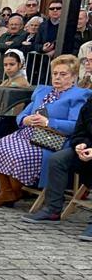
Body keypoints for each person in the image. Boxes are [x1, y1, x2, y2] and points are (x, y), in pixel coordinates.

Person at [0, 55, 91, 206]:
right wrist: (25, 120)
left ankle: (14, 191)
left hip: (53, 139)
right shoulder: (43, 91)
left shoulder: (77, 95)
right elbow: (22, 115)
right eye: (55, 73)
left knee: (20, 155)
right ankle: (8, 192)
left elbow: (75, 125)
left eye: (63, 74)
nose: (57, 77)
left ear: (73, 77)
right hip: (27, 134)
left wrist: (48, 122)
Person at [22, 97, 92, 238]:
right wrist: (81, 144)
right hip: (87, 148)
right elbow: (80, 130)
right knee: (57, 160)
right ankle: (52, 209)